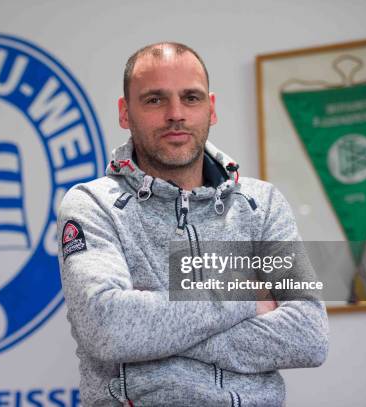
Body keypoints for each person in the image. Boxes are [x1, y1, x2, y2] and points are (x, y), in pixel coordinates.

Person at [57, 42, 328, 406]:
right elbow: (110, 327)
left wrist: (158, 332)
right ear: (125, 113)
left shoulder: (262, 205)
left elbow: (309, 335)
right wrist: (245, 296)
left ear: (211, 109)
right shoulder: (93, 205)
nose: (175, 114)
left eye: (191, 98)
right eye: (154, 100)